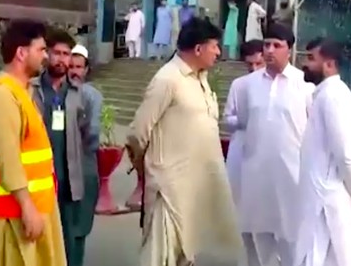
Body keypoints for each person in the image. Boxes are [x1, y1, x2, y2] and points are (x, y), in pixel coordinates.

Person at [126, 17, 240, 266]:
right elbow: (137, 133)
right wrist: (147, 169)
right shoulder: (167, 79)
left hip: (194, 188)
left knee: (186, 256)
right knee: (159, 257)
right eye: (214, 46)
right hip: (168, 189)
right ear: (198, 49)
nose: (218, 52)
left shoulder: (201, 78)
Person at [0, 20, 66, 266]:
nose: (45, 56)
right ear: (21, 53)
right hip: (9, 221)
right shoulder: (2, 96)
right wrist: (27, 207)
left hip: (27, 214)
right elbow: (8, 159)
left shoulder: (21, 93)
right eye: (41, 49)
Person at [294, 38, 351, 266]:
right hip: (319, 197)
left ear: (329, 64)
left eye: (311, 58)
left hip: (329, 200)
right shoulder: (323, 95)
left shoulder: (335, 97)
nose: (305, 63)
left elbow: (346, 153)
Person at [237, 24, 313, 266]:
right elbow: (246, 124)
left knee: (293, 237)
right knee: (258, 237)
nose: (270, 50)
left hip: (292, 176)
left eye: (277, 45)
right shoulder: (248, 85)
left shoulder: (304, 85)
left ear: (289, 50)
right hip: (256, 174)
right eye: (266, 44)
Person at [30, 35, 100, 266]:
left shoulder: (81, 95)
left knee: (72, 239)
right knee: (40, 240)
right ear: (47, 54)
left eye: (66, 54)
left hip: (71, 181)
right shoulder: (32, 90)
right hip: (40, 180)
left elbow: (91, 136)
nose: (61, 59)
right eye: (57, 53)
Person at [223, 39, 265, 210]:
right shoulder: (239, 85)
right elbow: (227, 117)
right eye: (250, 64)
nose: (254, 69)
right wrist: (243, 120)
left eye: (258, 63)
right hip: (241, 143)